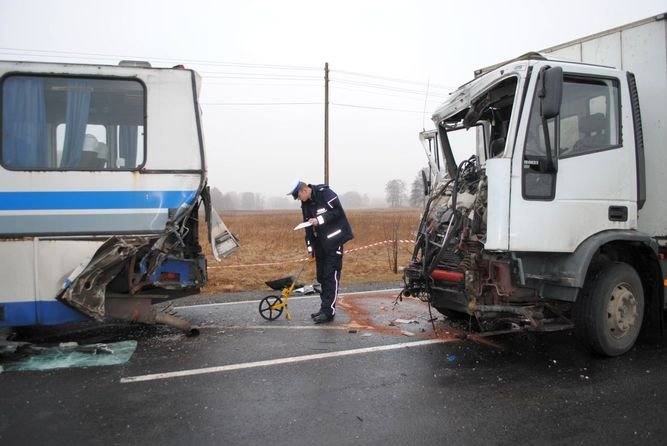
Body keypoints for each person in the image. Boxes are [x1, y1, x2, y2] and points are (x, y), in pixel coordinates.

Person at [289, 180, 353, 324]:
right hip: (320, 245)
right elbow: (308, 228)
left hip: (334, 241)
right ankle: (324, 308)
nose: (299, 200)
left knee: (331, 276)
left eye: (299, 196)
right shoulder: (305, 205)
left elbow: (337, 212)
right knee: (322, 277)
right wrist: (310, 249)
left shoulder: (326, 194)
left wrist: (320, 219)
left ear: (304, 190)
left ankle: (329, 311)